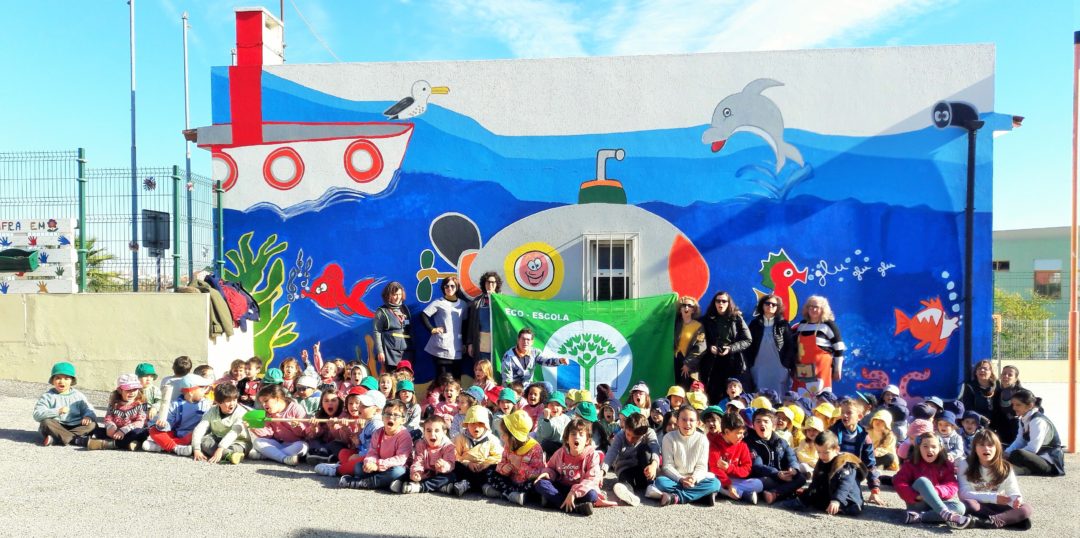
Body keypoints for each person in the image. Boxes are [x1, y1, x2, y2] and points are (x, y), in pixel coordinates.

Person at [950, 429, 1034, 529]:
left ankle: (988, 522)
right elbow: (963, 494)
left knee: (1027, 509)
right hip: (978, 505)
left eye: (990, 445)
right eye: (981, 445)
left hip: (997, 506)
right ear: (975, 448)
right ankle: (1007, 520)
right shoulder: (965, 464)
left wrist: (1016, 499)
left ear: (997, 448)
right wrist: (992, 497)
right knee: (968, 504)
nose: (986, 448)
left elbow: (1013, 491)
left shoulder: (1006, 467)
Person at [647, 405, 722, 506]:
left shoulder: (702, 439)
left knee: (715, 483)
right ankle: (700, 496)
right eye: (684, 419)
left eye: (691, 420)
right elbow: (667, 466)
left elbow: (702, 466)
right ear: (677, 421)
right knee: (661, 482)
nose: (688, 423)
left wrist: (694, 479)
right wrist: (681, 479)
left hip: (694, 479)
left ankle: (676, 498)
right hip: (675, 479)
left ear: (697, 423)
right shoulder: (668, 438)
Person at [533, 417, 604, 515]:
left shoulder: (592, 455)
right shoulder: (560, 453)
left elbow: (591, 479)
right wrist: (547, 473)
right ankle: (575, 507)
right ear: (566, 439)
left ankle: (555, 502)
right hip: (563, 488)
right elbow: (551, 467)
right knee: (540, 484)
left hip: (580, 490)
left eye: (581, 434)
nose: (576, 437)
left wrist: (574, 492)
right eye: (573, 434)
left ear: (587, 440)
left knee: (592, 495)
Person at [894, 432, 966, 526]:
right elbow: (899, 482)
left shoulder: (946, 465)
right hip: (918, 503)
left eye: (933, 447)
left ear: (940, 448)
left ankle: (919, 517)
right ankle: (945, 514)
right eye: (925, 446)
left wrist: (935, 491)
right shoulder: (911, 464)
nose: (929, 450)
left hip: (936, 501)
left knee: (960, 508)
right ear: (919, 448)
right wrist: (915, 496)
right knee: (923, 481)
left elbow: (952, 485)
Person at [340, 400, 413, 490]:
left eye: (396, 415)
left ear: (403, 420)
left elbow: (400, 459)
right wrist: (369, 462)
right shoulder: (378, 433)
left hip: (397, 467)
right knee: (359, 467)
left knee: (398, 472)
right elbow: (372, 452)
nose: (391, 418)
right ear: (382, 417)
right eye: (388, 414)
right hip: (379, 466)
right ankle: (385, 483)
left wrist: (378, 465)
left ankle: (364, 483)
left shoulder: (404, 435)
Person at [483, 410, 547, 506]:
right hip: (510, 481)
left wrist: (520, 465)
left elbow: (537, 473)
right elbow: (501, 462)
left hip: (525, 483)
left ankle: (507, 494)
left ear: (514, 437)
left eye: (504, 434)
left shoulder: (535, 448)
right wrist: (503, 468)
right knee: (490, 470)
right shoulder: (508, 445)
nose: (501, 436)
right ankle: (510, 495)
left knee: (537, 484)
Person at [796, 431, 866, 516]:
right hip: (830, 494)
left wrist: (836, 500)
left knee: (852, 509)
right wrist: (808, 494)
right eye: (818, 452)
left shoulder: (845, 463)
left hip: (849, 500)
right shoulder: (822, 461)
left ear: (837, 449)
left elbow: (845, 485)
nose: (822, 456)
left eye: (826, 452)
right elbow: (816, 482)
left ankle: (839, 507)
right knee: (809, 497)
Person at [700, 291, 752, 403]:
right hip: (713, 361)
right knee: (714, 393)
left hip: (733, 361)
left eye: (724, 301)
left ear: (729, 303)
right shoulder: (707, 320)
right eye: (718, 301)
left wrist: (731, 348)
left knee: (734, 393)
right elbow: (700, 340)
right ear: (714, 303)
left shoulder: (736, 318)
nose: (721, 303)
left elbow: (748, 340)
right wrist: (709, 347)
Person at [829, 398, 883, 505]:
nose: (844, 415)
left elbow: (870, 464)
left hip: (853, 473)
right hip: (833, 470)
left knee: (856, 505)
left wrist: (874, 490)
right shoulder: (833, 432)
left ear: (859, 417)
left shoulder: (864, 437)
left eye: (849, 412)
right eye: (843, 412)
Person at [746, 408, 806, 504]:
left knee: (801, 478)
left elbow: (791, 456)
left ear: (773, 426)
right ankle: (785, 492)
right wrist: (776, 474)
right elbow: (757, 465)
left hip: (782, 476)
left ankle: (774, 494)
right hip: (764, 477)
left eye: (766, 421)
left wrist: (793, 468)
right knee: (765, 481)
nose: (762, 424)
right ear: (753, 425)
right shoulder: (750, 442)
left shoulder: (781, 442)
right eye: (758, 421)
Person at [703, 407, 762, 504]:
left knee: (758, 484)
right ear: (726, 432)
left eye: (743, 433)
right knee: (710, 477)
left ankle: (722, 493)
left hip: (735, 480)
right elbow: (714, 468)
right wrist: (729, 485)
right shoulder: (714, 444)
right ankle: (742, 494)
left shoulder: (742, 445)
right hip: (720, 479)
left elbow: (747, 469)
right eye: (739, 433)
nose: (742, 436)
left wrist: (729, 468)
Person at [394, 415, 465, 495]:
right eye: (428, 430)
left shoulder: (448, 446)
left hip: (440, 474)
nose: (432, 434)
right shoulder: (421, 444)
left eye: (437, 431)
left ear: (444, 432)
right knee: (408, 470)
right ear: (424, 432)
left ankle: (420, 487)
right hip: (424, 473)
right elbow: (418, 461)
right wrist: (417, 472)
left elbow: (450, 464)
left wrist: (444, 466)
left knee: (450, 477)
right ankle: (440, 487)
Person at [604, 410, 661, 506]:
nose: (630, 439)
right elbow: (612, 452)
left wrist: (654, 465)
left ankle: (651, 485)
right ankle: (629, 494)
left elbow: (655, 448)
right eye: (628, 435)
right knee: (625, 480)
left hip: (644, 470)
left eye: (635, 437)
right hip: (626, 469)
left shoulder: (649, 433)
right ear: (625, 429)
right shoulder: (620, 436)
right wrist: (603, 470)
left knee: (645, 449)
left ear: (643, 433)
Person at [145, 373, 212, 455]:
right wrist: (163, 425)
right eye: (202, 389)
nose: (205, 392)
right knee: (154, 430)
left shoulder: (206, 404)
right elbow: (168, 421)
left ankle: (162, 447)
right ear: (191, 392)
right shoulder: (175, 405)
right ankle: (175, 448)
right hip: (176, 434)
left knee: (197, 435)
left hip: (192, 435)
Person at [1003, 389, 1064, 476]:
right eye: (1013, 404)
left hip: (1049, 463)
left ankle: (1023, 470)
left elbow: (1033, 448)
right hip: (1035, 457)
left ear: (1030, 405)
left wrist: (1009, 455)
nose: (1014, 408)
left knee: (1017, 454)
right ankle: (1017, 468)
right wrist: (1006, 452)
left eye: (1018, 405)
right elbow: (1019, 441)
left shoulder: (1037, 421)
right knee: (1002, 449)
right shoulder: (1023, 420)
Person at [791, 296, 845, 393]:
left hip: (821, 368)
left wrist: (837, 369)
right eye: (810, 307)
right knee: (802, 394)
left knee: (819, 395)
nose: (813, 309)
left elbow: (839, 348)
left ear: (823, 309)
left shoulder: (829, 325)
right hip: (803, 368)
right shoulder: (802, 325)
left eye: (817, 307)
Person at [746, 293, 796, 396]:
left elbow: (790, 346)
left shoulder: (783, 324)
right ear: (762, 305)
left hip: (778, 366)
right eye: (767, 303)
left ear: (778, 308)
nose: (770, 306)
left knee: (779, 393)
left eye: (774, 304)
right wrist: (751, 365)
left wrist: (785, 365)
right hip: (759, 366)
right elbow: (748, 345)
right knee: (759, 392)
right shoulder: (754, 324)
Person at [248, 384, 310, 466]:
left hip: (294, 444)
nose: (263, 405)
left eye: (266, 401)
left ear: (277, 398)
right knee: (258, 441)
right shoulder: (268, 413)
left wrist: (296, 425)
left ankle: (268, 455)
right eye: (262, 402)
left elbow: (304, 433)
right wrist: (254, 427)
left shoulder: (296, 408)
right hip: (278, 444)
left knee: (303, 446)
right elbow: (268, 435)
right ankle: (284, 458)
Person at [189, 383, 251, 464]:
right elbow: (200, 428)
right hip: (218, 439)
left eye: (234, 399)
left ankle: (230, 454)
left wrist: (220, 449)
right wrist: (196, 449)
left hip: (238, 442)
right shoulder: (212, 411)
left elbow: (234, 432)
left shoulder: (241, 413)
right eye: (228, 401)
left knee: (236, 448)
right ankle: (230, 455)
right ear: (218, 402)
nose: (232, 403)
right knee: (204, 442)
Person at [422, 276, 469, 380]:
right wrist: (432, 329)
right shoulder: (439, 302)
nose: (449, 288)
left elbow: (465, 324)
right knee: (442, 379)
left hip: (457, 347)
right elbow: (424, 315)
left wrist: (465, 343)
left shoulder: (463, 304)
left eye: (452, 286)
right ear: (443, 288)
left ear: (457, 287)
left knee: (456, 378)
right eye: (446, 286)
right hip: (441, 347)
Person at [88, 373, 149, 451]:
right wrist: (111, 426)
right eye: (128, 390)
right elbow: (108, 418)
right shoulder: (114, 403)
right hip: (117, 431)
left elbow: (140, 421)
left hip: (131, 430)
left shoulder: (141, 403)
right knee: (97, 431)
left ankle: (108, 444)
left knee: (139, 433)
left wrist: (124, 430)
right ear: (120, 390)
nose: (132, 392)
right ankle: (131, 443)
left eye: (135, 389)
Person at [454, 405, 503, 493]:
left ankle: (477, 485)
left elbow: (499, 456)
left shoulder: (492, 439)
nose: (476, 427)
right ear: (467, 424)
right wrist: (467, 463)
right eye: (472, 423)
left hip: (483, 469)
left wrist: (486, 463)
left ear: (486, 425)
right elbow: (454, 455)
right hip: (467, 469)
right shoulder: (460, 438)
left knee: (494, 468)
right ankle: (470, 484)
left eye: (480, 424)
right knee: (456, 466)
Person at [500, 328, 569, 386]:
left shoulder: (535, 352)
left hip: (528, 387)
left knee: (547, 385)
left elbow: (546, 361)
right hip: (514, 388)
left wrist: (560, 360)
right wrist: (516, 393)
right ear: (518, 340)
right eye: (523, 339)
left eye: (528, 340)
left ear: (532, 342)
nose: (525, 342)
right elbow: (507, 380)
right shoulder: (509, 356)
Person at [373, 281, 414, 372]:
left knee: (405, 379)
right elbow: (377, 332)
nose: (398, 297)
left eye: (399, 294)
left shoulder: (405, 309)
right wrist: (380, 351)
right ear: (388, 295)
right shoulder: (382, 311)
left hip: (406, 351)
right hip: (390, 352)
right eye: (395, 294)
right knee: (392, 379)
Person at [464, 271, 501, 362]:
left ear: (497, 284)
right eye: (488, 282)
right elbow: (471, 324)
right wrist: (470, 343)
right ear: (484, 284)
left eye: (493, 282)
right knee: (482, 368)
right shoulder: (477, 301)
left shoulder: (502, 301)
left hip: (497, 341)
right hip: (480, 341)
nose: (490, 284)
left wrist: (494, 298)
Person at [673, 295, 706, 388]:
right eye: (684, 305)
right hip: (674, 361)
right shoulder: (675, 324)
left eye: (690, 305)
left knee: (684, 389)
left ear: (693, 310)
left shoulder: (698, 326)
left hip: (687, 363)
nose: (686, 307)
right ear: (680, 308)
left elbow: (700, 347)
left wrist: (688, 363)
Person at [993, 365, 1023, 446]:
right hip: (1002, 431)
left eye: (1010, 375)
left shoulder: (1022, 393)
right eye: (1004, 373)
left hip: (1019, 432)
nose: (1006, 376)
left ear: (1015, 379)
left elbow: (1037, 409)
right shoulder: (997, 393)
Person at [535, 391, 571, 457]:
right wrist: (546, 419)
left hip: (560, 447)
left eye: (558, 405)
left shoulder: (566, 419)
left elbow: (567, 437)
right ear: (547, 406)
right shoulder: (543, 417)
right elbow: (545, 436)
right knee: (545, 444)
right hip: (544, 446)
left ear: (562, 408)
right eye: (551, 404)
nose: (554, 407)